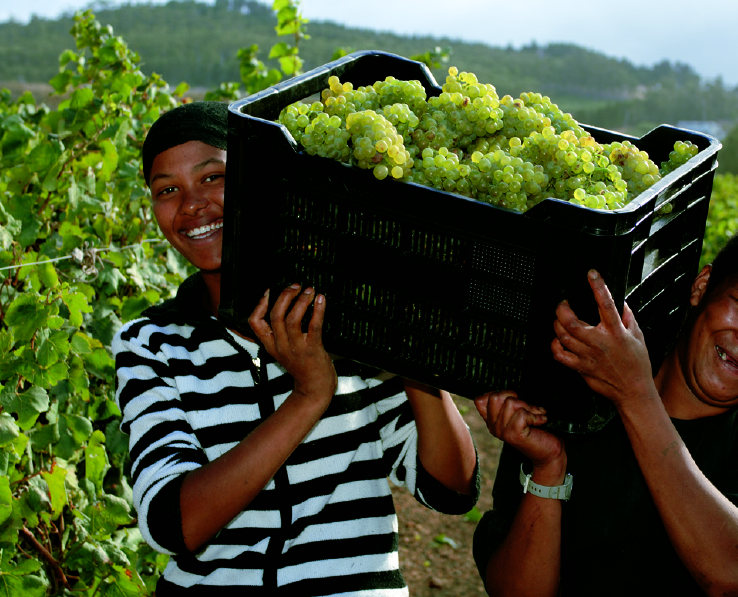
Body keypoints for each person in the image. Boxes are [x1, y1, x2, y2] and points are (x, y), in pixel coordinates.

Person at [114, 100, 480, 595]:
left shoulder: (345, 315)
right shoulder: (152, 343)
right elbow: (173, 523)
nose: (191, 205)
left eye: (213, 177)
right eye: (167, 190)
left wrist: (410, 345)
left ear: (257, 179)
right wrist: (310, 394)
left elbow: (449, 489)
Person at [472, 218, 738, 596]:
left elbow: (730, 572)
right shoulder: (579, 377)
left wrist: (634, 393)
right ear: (702, 286)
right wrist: (548, 470)